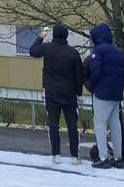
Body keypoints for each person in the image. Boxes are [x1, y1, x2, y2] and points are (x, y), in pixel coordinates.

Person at [29, 22, 85, 165]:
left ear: (54, 34)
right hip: (69, 93)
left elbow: (33, 51)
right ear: (66, 35)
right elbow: (79, 74)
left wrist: (41, 37)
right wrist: (79, 93)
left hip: (51, 92)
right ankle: (74, 155)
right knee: (72, 125)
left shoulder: (47, 48)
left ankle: (56, 154)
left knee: (53, 124)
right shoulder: (73, 52)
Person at [85, 23, 124, 169]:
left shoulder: (98, 51)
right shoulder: (117, 51)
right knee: (116, 124)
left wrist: (91, 86)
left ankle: (103, 157)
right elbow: (123, 74)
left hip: (102, 93)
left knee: (100, 124)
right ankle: (118, 157)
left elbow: (96, 71)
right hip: (116, 94)